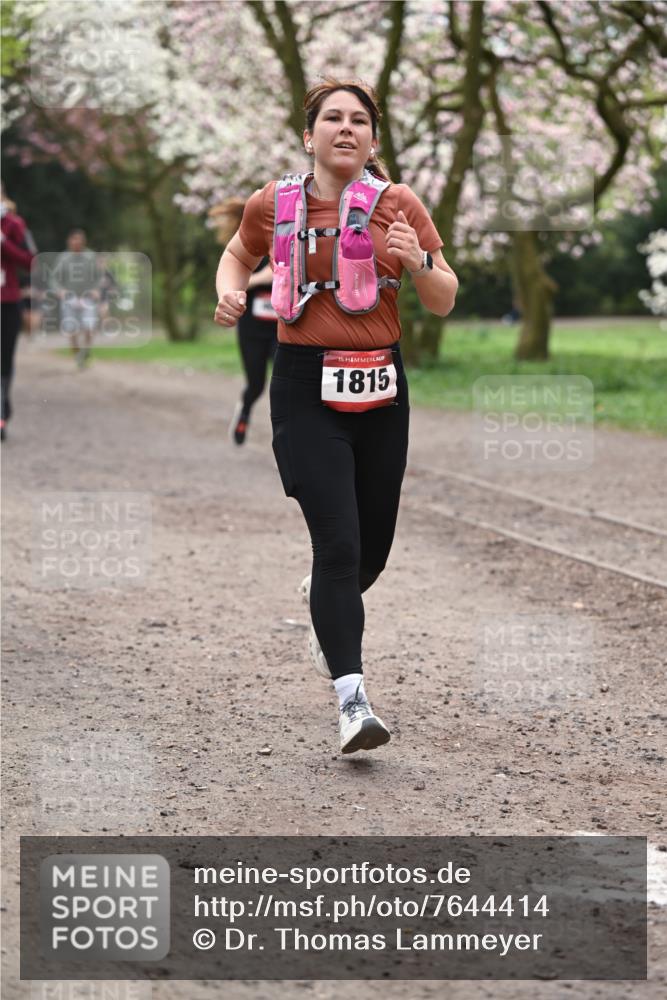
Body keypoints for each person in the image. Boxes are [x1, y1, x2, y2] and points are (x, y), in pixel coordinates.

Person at [214, 78, 457, 754]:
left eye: (358, 121)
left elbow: (442, 296)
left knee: (369, 550)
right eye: (332, 119)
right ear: (308, 135)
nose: (344, 129)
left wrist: (417, 263)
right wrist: (230, 292)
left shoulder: (398, 204)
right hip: (303, 388)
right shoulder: (275, 202)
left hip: (381, 388)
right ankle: (352, 700)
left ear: (372, 139)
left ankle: (329, 605)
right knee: (339, 545)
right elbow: (238, 254)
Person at [209, 197, 278, 445]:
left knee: (283, 381)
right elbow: (231, 275)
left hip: (282, 328)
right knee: (256, 384)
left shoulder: (286, 238)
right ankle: (244, 411)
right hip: (252, 327)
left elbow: (277, 270)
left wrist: (254, 281)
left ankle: (286, 434)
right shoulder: (243, 246)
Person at [1, 182, 36, 441]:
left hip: (6, 302)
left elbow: (30, 261)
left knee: (3, 361)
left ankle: (1, 414)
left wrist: (4, 243)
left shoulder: (14, 225)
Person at [50, 229, 102, 369]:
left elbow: (99, 277)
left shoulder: (91, 257)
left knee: (89, 327)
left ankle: (86, 351)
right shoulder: (63, 258)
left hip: (88, 298)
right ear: (69, 241)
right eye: (74, 239)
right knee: (71, 329)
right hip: (69, 299)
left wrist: (96, 290)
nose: (77, 242)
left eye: (80, 239)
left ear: (84, 241)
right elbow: (54, 279)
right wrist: (61, 291)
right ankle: (77, 354)